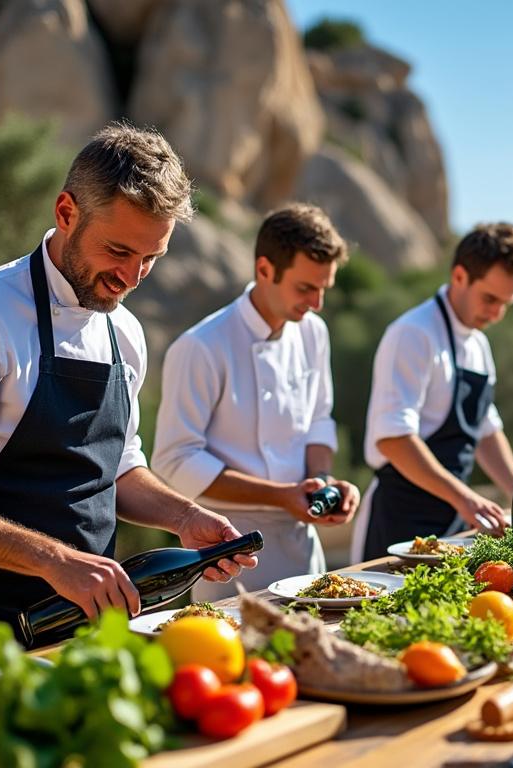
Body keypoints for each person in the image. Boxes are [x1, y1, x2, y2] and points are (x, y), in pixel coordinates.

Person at [0, 124, 257, 653]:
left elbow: (116, 466)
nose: (132, 278)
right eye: (118, 250)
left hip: (98, 625)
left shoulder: (125, 331)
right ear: (65, 212)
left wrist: (184, 516)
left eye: (151, 258)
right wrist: (54, 561)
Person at [152, 203, 361, 599]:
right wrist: (280, 496)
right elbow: (174, 460)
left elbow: (319, 420)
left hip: (302, 544)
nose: (317, 302)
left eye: (324, 288)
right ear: (265, 269)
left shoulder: (314, 332)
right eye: (305, 288)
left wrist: (325, 485)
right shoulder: (200, 346)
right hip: (229, 550)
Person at [351, 223, 513, 562]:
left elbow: (486, 432)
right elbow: (392, 438)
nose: (497, 314)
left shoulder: (479, 345)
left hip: (453, 520)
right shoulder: (413, 334)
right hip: (400, 519)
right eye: (490, 299)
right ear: (459, 276)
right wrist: (466, 499)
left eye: (506, 304)